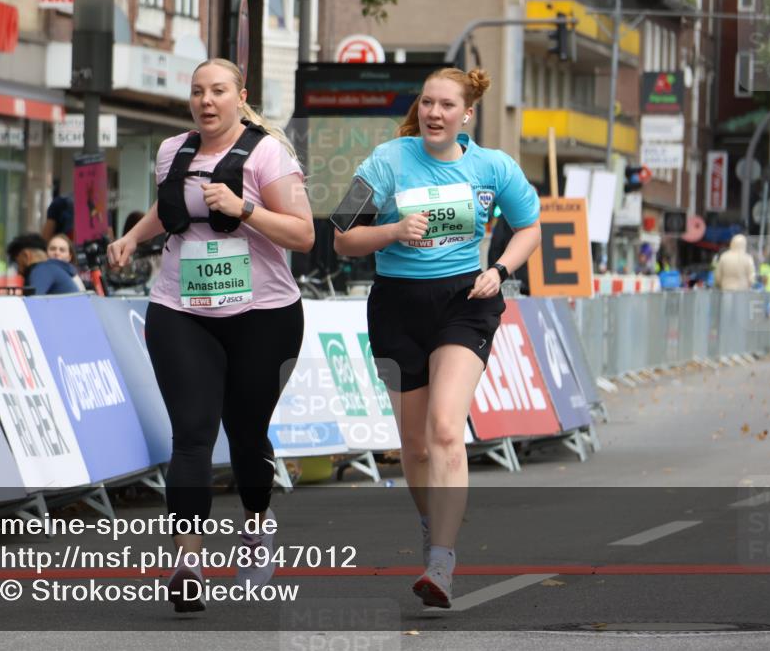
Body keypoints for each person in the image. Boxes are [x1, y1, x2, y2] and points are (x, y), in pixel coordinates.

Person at [106, 58, 314, 612]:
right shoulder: (172, 150)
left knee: (246, 435)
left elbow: (304, 234)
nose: (207, 101)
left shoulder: (269, 153)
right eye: (198, 92)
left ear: (240, 96)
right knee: (192, 434)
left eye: (218, 91)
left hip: (262, 315)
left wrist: (245, 209)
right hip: (180, 307)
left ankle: (255, 526)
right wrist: (133, 236)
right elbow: (173, 206)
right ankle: (188, 561)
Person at [333, 67, 541, 608]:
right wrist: (392, 231)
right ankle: (432, 527)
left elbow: (529, 227)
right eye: (427, 103)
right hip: (396, 305)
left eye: (447, 105)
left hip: (463, 302)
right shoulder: (385, 161)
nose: (434, 113)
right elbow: (341, 237)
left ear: (466, 114)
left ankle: (442, 563)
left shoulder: (493, 167)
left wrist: (500, 268)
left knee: (447, 429)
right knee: (415, 447)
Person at [6, 233, 81, 295]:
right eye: (52, 249)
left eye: (17, 262)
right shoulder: (52, 269)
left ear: (26, 255)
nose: (18, 270)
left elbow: (32, 303)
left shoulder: (42, 270)